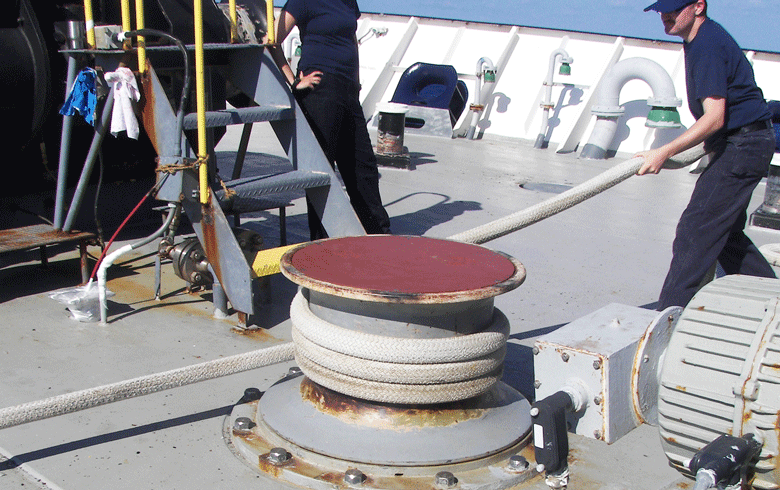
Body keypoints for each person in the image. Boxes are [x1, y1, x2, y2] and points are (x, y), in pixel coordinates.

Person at [637, 0, 776, 309]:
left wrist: (663, 151)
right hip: (743, 142)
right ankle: (772, 297)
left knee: (695, 231)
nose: (666, 16)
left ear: (698, 6)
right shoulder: (701, 39)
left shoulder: (707, 45)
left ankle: (666, 319)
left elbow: (714, 118)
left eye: (673, 9)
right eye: (662, 11)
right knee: (724, 234)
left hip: (743, 146)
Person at [268, 0, 391, 240]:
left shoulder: (348, 2)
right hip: (320, 91)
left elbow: (350, 41)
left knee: (363, 167)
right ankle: (321, 241)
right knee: (323, 170)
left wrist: (354, 81)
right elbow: (271, 40)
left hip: (348, 91)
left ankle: (378, 235)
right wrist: (294, 81)